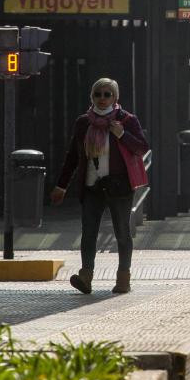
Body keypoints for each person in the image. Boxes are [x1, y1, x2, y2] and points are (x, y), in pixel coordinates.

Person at [49, 77, 149, 295]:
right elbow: (73, 156)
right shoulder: (83, 122)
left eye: (107, 94)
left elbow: (142, 148)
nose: (102, 99)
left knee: (122, 232)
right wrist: (61, 186)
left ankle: (123, 278)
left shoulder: (127, 120)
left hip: (119, 186)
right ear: (92, 97)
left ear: (115, 97)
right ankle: (86, 276)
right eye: (98, 94)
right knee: (88, 233)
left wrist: (122, 134)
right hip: (92, 185)